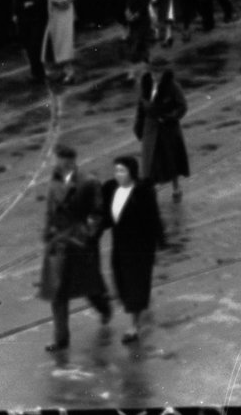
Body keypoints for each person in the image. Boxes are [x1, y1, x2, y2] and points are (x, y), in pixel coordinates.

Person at [40, 143, 112, 351]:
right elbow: (50, 209)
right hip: (58, 243)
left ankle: (103, 307)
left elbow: (98, 213)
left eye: (64, 162)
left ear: (72, 162)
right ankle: (61, 339)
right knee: (57, 292)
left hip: (79, 241)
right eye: (58, 161)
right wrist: (47, 233)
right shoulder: (54, 182)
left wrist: (89, 235)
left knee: (89, 286)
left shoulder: (88, 182)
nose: (60, 166)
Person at [101, 154, 166, 344]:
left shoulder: (142, 192)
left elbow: (153, 217)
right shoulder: (111, 189)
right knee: (120, 281)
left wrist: (159, 241)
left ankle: (134, 326)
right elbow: (106, 217)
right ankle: (135, 311)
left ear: (132, 172)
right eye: (116, 170)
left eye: (122, 170)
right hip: (120, 245)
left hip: (139, 247)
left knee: (135, 284)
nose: (118, 174)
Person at [134, 65, 190, 199]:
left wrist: (169, 117)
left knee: (171, 160)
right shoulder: (146, 83)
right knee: (149, 161)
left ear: (163, 72)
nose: (155, 75)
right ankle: (149, 192)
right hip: (150, 127)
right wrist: (139, 125)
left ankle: (176, 188)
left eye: (158, 72)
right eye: (153, 72)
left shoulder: (172, 86)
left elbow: (182, 106)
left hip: (167, 129)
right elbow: (141, 105)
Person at [43, 0, 79, 85]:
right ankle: (63, 70)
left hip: (63, 13)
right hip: (53, 14)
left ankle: (69, 72)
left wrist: (62, 1)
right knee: (55, 43)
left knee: (63, 43)